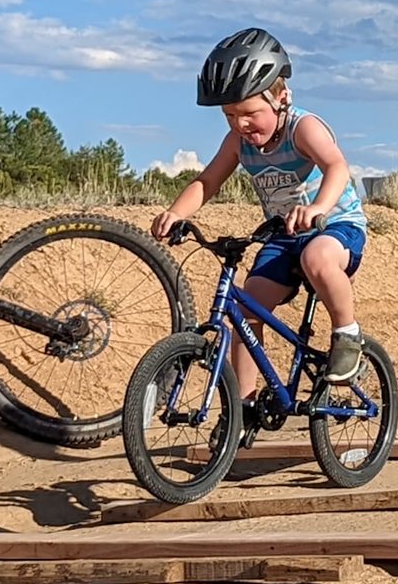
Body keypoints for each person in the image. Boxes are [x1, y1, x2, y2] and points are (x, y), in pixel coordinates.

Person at [152, 27, 371, 386]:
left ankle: (347, 335)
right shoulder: (238, 142)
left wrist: (317, 207)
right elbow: (207, 181)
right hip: (285, 235)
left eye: (249, 112)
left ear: (281, 96)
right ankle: (243, 403)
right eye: (229, 116)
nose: (240, 123)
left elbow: (336, 166)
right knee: (245, 309)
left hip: (334, 226)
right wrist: (177, 213)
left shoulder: (303, 127)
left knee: (316, 257)